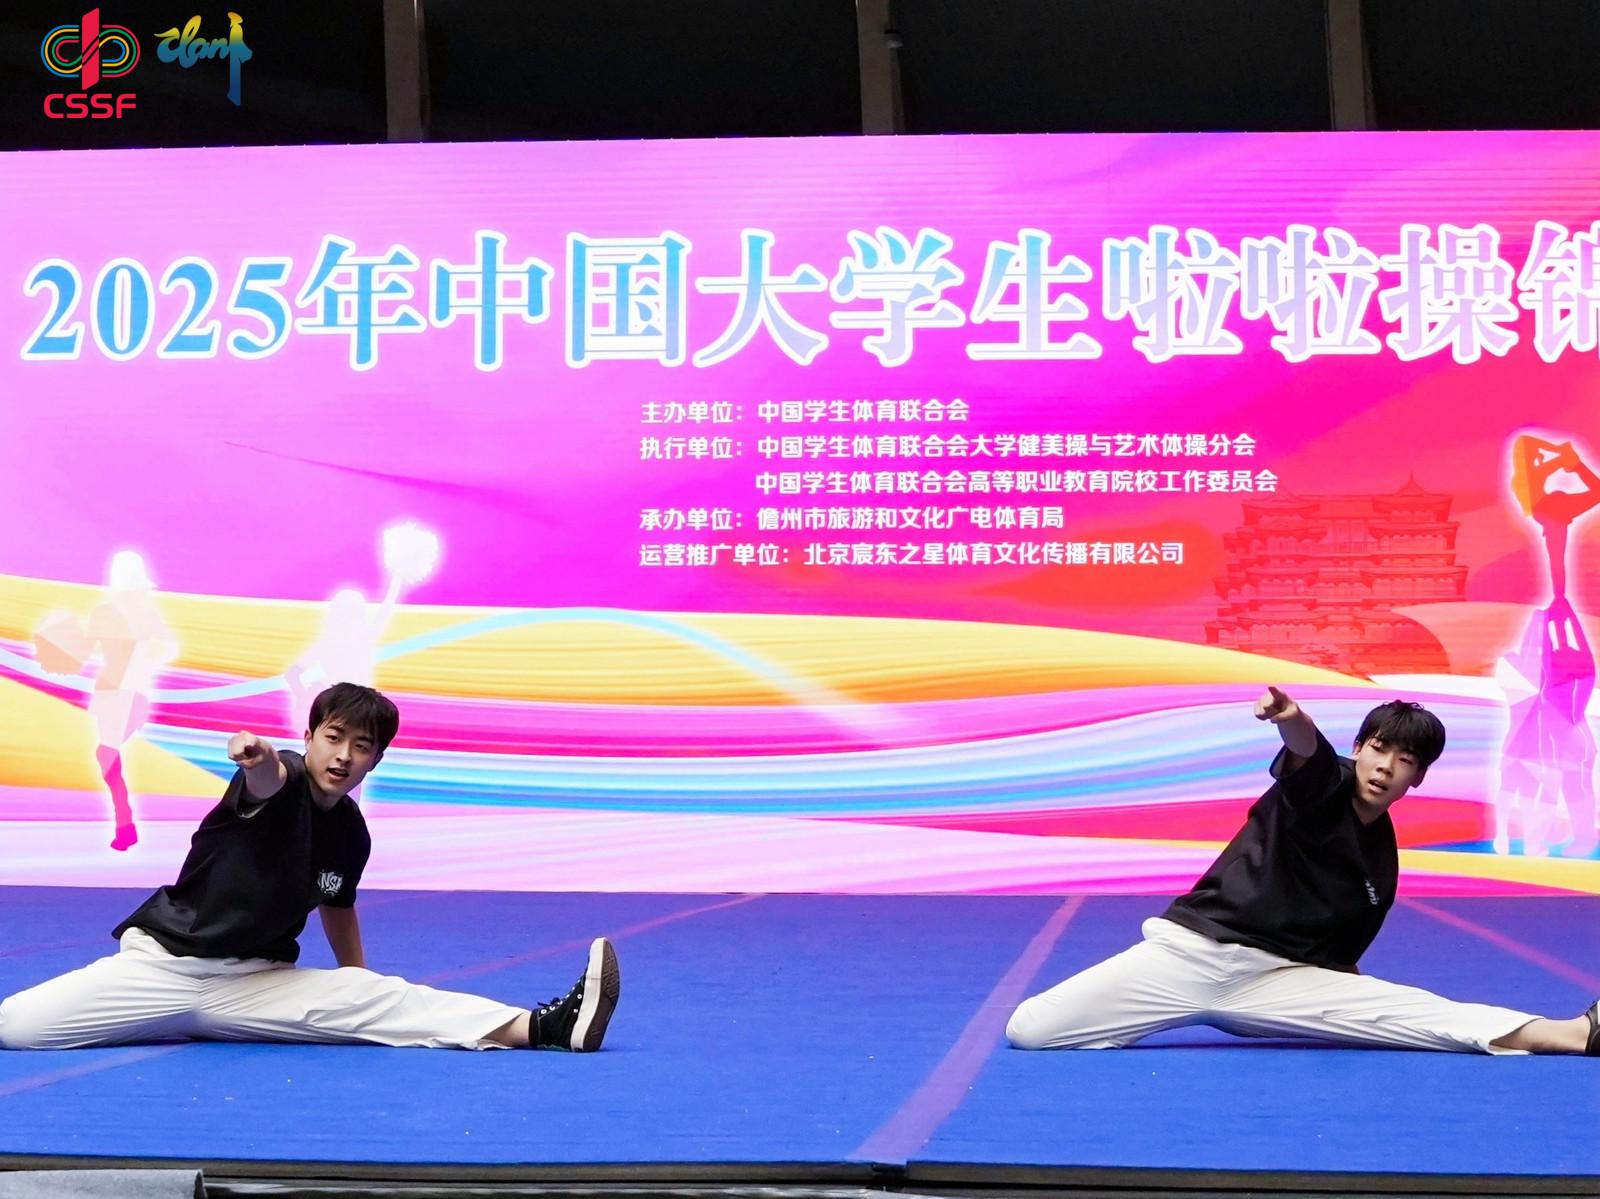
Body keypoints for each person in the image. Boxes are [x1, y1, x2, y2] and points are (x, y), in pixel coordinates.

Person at [0, 683, 620, 1052]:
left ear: (376, 760)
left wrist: (357, 983)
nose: (343, 755)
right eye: (333, 736)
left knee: (391, 1000)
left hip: (255, 984)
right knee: (18, 1028)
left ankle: (543, 1028)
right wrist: (255, 756)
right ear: (309, 737)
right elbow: (267, 778)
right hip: (163, 969)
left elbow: (337, 905)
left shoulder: (351, 832)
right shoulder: (283, 779)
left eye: (361, 746)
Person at [1007, 687, 1599, 1056]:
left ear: (1417, 778)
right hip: (1191, 958)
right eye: (1379, 748)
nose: (1386, 767)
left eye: (1405, 760)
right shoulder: (1325, 784)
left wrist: (1344, 999)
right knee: (1030, 1030)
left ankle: (1575, 1032)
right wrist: (1292, 717)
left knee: (1417, 1012)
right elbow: (1308, 752)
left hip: (1278, 983)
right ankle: (1157, 1012)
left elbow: (1341, 952)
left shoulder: (1382, 859)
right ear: (1358, 748)